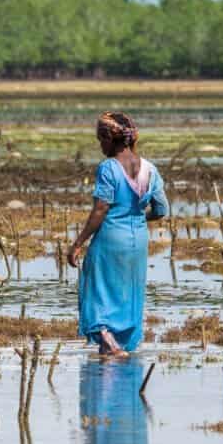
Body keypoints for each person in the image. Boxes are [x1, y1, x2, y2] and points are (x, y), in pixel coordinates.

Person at [67, 111, 168, 357]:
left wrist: (78, 243)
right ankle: (113, 346)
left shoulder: (108, 168)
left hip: (111, 237)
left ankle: (107, 340)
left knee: (96, 287)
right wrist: (134, 218)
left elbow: (101, 208)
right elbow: (161, 209)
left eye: (101, 140)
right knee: (128, 291)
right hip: (138, 241)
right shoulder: (150, 169)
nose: (100, 145)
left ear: (110, 139)